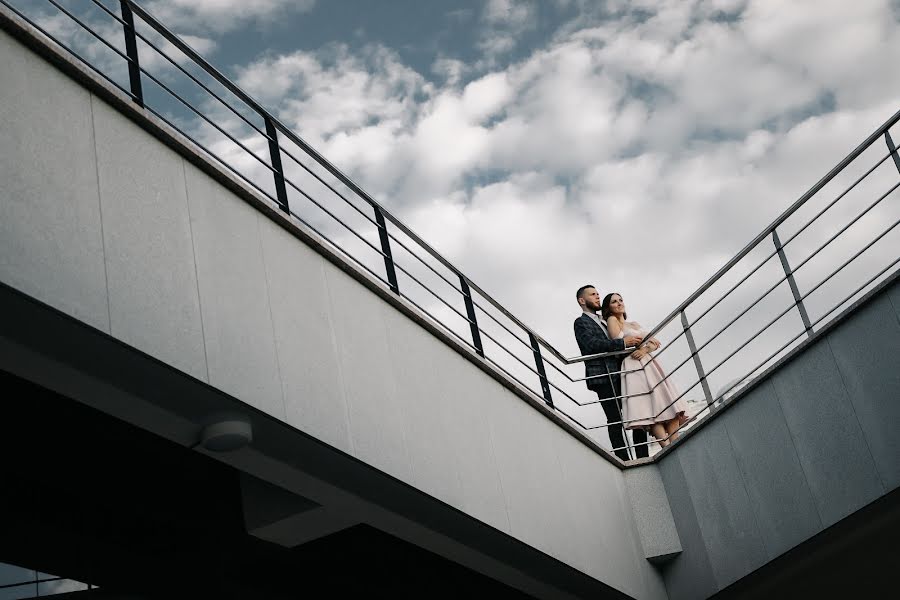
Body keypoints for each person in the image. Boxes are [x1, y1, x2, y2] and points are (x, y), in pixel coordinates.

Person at [573, 285, 649, 461]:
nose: (598, 297)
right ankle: (624, 459)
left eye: (598, 294)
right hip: (603, 376)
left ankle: (642, 456)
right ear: (582, 301)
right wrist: (623, 343)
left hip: (620, 372)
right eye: (593, 295)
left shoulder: (606, 320)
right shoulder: (581, 322)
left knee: (635, 414)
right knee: (615, 418)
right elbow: (592, 345)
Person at [602, 293, 687, 448]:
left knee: (667, 402)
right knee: (648, 408)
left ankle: (675, 443)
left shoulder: (634, 324)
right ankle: (666, 446)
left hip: (649, 362)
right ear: (609, 307)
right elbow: (619, 343)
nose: (619, 303)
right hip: (633, 365)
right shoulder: (612, 320)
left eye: (620, 300)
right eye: (614, 302)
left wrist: (645, 349)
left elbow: (654, 342)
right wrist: (639, 345)